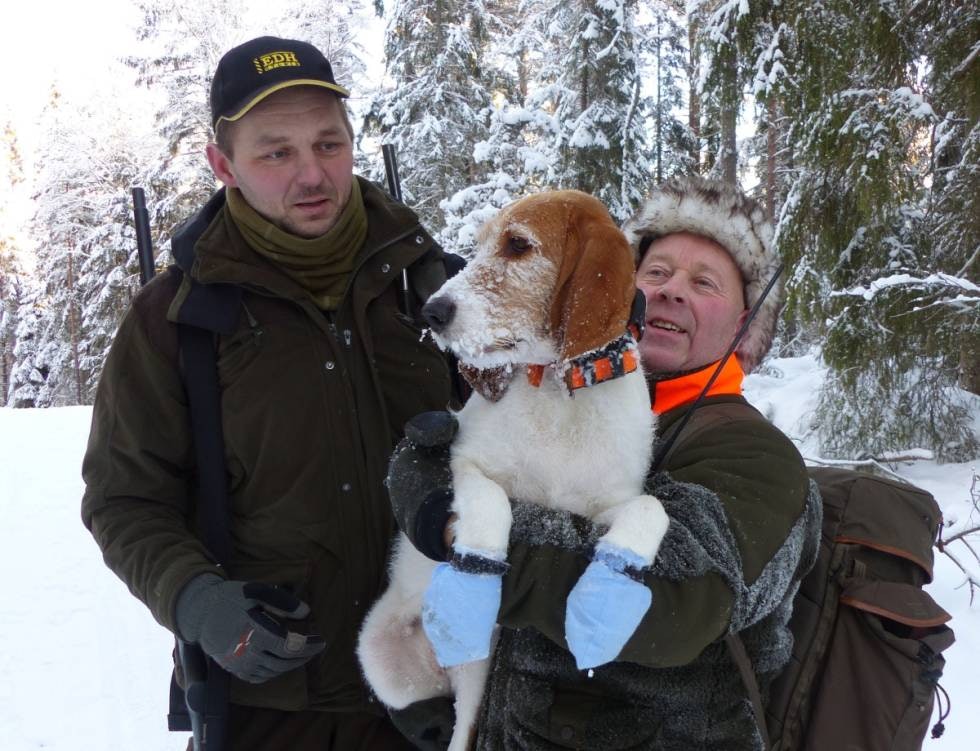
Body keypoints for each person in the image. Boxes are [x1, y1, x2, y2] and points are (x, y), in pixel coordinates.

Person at [81, 36, 456, 751]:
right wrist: (197, 599)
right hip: (275, 710)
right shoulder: (176, 322)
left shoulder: (434, 289)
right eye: (275, 152)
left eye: (328, 143)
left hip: (438, 691)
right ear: (222, 165)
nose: (313, 174)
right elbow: (123, 498)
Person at [387, 174, 822, 750]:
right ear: (619, 289)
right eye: (658, 272)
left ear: (744, 327)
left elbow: (680, 602)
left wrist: (451, 522)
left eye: (705, 283)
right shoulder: (550, 400)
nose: (671, 291)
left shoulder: (757, 455)